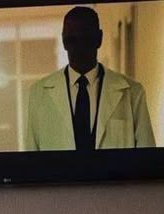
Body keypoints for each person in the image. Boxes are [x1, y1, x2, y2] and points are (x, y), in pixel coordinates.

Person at [25, 6, 155, 151]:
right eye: (71, 40)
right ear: (63, 42)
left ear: (99, 39)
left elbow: (147, 160)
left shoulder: (133, 93)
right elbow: (31, 162)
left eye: (85, 39)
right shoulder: (38, 95)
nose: (78, 47)